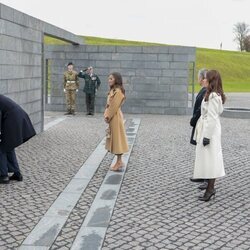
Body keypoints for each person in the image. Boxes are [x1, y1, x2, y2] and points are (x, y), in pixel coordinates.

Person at [193, 70, 226, 202]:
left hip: (210, 131)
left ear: (211, 80)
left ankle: (210, 189)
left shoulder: (213, 96)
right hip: (210, 130)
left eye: (206, 78)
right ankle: (210, 188)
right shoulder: (214, 95)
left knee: (211, 160)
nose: (204, 80)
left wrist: (206, 136)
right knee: (210, 159)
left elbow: (212, 118)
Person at [0, 95, 36, 184]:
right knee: (8, 146)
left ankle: (3, 176)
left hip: (12, 119)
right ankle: (17, 174)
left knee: (1, 149)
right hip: (17, 117)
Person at [104, 72, 129, 171]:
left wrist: (107, 116)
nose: (109, 80)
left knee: (117, 140)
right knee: (115, 139)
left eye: (111, 79)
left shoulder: (118, 92)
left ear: (116, 80)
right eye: (109, 78)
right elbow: (109, 105)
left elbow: (114, 106)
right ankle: (119, 161)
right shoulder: (113, 90)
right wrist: (106, 114)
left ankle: (119, 162)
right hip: (113, 117)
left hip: (115, 117)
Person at [190, 68, 208, 190]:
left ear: (202, 78)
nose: (198, 79)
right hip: (199, 123)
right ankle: (201, 175)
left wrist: (193, 119)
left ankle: (207, 179)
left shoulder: (207, 92)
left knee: (204, 151)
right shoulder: (203, 90)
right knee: (200, 150)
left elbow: (200, 110)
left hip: (202, 124)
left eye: (199, 77)